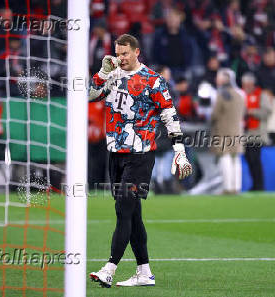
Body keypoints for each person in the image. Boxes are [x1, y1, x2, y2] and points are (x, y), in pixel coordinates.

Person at [88, 34, 192, 288]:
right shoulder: (112, 76)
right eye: (117, 53)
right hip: (115, 152)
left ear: (137, 52)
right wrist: (102, 72)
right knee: (132, 214)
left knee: (123, 209)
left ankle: (109, 268)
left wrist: (180, 150)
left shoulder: (153, 81)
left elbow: (169, 115)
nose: (120, 58)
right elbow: (90, 96)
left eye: (125, 54)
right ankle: (144, 272)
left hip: (140, 154)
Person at [210, 68, 245, 194]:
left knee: (225, 158)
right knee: (236, 159)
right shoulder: (240, 94)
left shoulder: (221, 95)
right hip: (237, 131)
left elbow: (215, 115)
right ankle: (237, 187)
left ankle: (227, 187)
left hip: (223, 131)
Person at [241, 72, 271, 191]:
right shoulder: (242, 95)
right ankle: (255, 184)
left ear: (252, 84)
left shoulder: (262, 95)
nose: (245, 87)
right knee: (249, 159)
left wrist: (251, 112)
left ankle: (259, 185)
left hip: (257, 134)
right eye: (244, 84)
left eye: (247, 84)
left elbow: (267, 112)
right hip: (246, 134)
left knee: (255, 160)